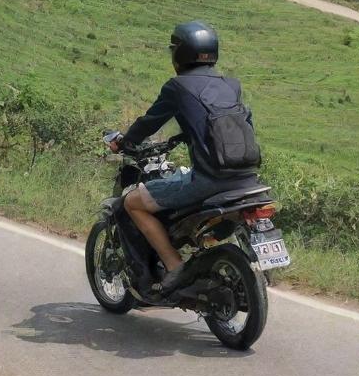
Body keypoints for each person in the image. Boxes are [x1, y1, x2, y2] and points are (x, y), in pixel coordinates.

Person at [110, 21, 261, 295]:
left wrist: (126, 142)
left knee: (132, 203)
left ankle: (174, 267)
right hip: (248, 178)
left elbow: (150, 122)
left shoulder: (177, 87)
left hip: (210, 180)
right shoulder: (231, 85)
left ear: (179, 53)